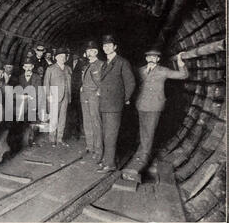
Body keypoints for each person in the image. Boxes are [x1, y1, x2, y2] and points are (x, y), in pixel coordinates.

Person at [123, 49, 188, 180]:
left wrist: (180, 62)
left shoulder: (163, 71)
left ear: (158, 59)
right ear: (146, 59)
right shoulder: (140, 70)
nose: (151, 59)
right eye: (149, 57)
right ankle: (140, 153)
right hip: (141, 105)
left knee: (149, 131)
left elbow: (183, 75)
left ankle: (143, 158)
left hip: (154, 106)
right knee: (143, 130)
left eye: (154, 57)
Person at [97, 35, 135, 173]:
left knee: (111, 135)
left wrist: (123, 99)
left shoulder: (122, 62)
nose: (106, 48)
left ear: (115, 47)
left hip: (114, 105)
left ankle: (110, 164)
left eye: (109, 45)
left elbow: (130, 83)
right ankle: (107, 160)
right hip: (104, 105)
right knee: (106, 134)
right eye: (104, 46)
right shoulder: (105, 63)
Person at [80, 41, 104, 162]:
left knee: (96, 122)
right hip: (84, 95)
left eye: (92, 51)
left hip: (94, 96)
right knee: (87, 121)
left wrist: (98, 93)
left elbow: (102, 82)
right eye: (88, 51)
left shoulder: (100, 64)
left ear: (96, 52)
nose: (89, 53)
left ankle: (98, 150)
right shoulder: (86, 65)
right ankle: (90, 146)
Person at [44, 47, 72, 147]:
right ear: (56, 58)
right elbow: (46, 83)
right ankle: (52, 139)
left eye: (64, 57)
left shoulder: (68, 69)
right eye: (60, 56)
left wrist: (69, 97)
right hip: (54, 97)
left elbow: (69, 84)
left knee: (62, 119)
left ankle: (60, 139)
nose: (62, 58)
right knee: (54, 119)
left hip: (65, 97)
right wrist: (48, 96)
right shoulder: (50, 69)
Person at [19, 57, 43, 145]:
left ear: (32, 67)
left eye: (30, 66)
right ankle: (23, 136)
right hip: (23, 102)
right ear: (23, 67)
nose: (28, 68)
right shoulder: (20, 77)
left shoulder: (37, 77)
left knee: (32, 118)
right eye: (26, 66)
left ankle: (31, 136)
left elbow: (37, 90)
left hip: (33, 101)